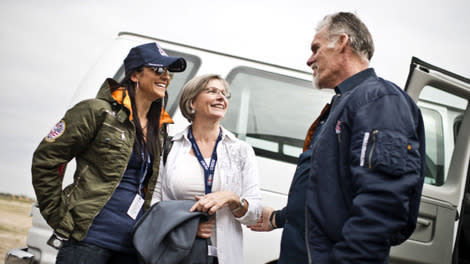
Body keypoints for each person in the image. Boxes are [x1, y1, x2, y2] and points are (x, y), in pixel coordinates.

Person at [250, 12, 425, 263]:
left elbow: (382, 204)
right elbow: (326, 193)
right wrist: (280, 217)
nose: (309, 59)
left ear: (342, 42)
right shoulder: (343, 103)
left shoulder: (379, 100)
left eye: (316, 48)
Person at [31, 42, 186, 264]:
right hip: (88, 241)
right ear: (135, 75)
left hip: (133, 246)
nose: (166, 78)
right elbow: (46, 160)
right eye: (158, 70)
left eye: (169, 73)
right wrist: (57, 214)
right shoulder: (96, 111)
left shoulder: (159, 127)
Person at [152, 74, 263, 264]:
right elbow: (154, 204)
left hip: (223, 257)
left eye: (224, 93)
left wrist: (232, 198)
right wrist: (185, 228)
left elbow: (255, 214)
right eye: (212, 91)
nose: (221, 97)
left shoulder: (241, 150)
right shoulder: (169, 147)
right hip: (176, 253)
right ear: (191, 103)